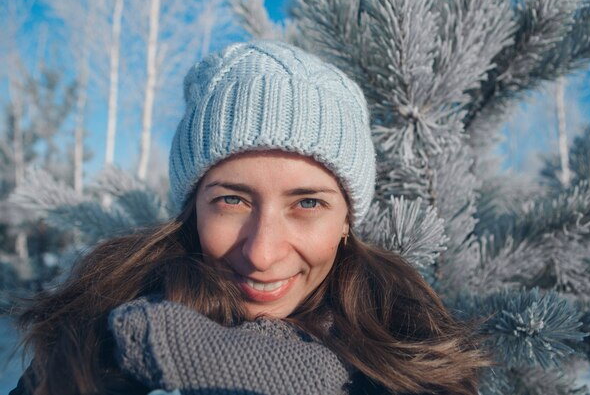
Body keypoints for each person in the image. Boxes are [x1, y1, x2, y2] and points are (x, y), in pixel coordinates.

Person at [11, 40, 488, 395]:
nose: (262, 253)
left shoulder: (414, 349)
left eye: (308, 203)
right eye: (232, 201)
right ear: (192, 207)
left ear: (347, 219)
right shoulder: (99, 338)